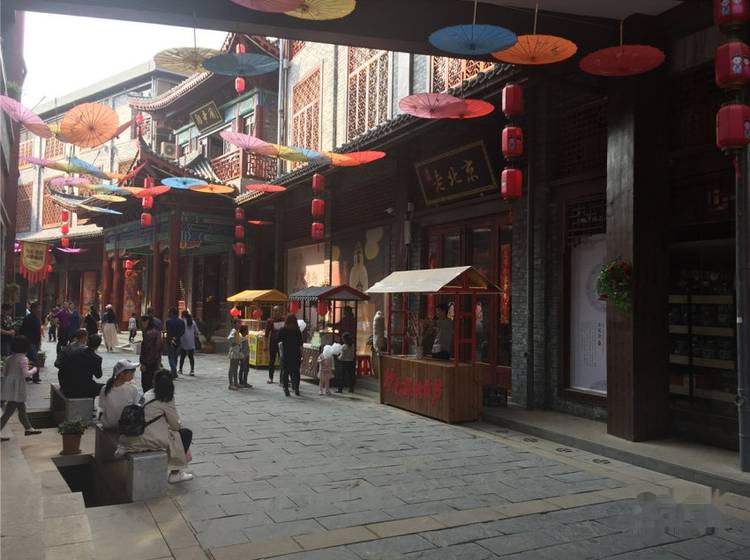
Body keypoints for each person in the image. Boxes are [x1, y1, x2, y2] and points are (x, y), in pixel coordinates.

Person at [119, 370, 194, 484]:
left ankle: (175, 469)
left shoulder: (148, 393)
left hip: (132, 433)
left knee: (174, 435)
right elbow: (175, 425)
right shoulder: (166, 399)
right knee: (185, 434)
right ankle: (176, 473)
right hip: (146, 438)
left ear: (154, 382)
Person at [1, 336, 42, 440]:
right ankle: (28, 428)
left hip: (9, 386)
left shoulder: (9, 358)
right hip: (18, 387)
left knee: (21, 408)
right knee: (9, 412)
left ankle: (28, 428)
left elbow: (5, 372)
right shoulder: (23, 359)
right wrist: (34, 369)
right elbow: (25, 374)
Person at [98, 359, 142, 430]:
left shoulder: (104, 388)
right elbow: (136, 406)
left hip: (108, 424)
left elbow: (102, 407)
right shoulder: (132, 388)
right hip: (125, 425)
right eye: (131, 372)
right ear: (122, 373)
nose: (133, 375)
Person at [57, 334, 104, 399]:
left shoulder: (75, 351)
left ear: (87, 342)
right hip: (82, 389)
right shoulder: (97, 358)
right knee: (106, 388)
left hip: (66, 386)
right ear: (98, 346)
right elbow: (98, 375)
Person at [277, 314, 303, 397]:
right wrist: (301, 354)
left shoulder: (282, 330)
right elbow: (300, 343)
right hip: (296, 353)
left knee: (285, 371)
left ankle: (286, 388)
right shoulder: (297, 331)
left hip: (286, 353)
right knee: (296, 371)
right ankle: (296, 388)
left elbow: (278, 340)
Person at [19, 302, 42, 382]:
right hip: (30, 342)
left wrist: (38, 342)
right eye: (38, 308)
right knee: (34, 359)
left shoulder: (36, 318)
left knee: (29, 359)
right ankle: (35, 377)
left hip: (33, 342)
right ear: (33, 309)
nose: (40, 310)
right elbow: (22, 330)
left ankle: (28, 376)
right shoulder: (29, 318)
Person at [140, 315, 163, 392]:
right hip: (155, 361)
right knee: (153, 382)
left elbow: (145, 350)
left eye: (143, 322)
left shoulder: (148, 333)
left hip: (148, 361)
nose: (142, 324)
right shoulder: (157, 332)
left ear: (147, 322)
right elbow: (159, 348)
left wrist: (143, 363)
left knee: (146, 383)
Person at [165, 308, 184, 379]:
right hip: (178, 341)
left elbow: (169, 331)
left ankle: (174, 371)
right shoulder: (181, 321)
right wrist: (177, 337)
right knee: (175, 357)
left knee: (171, 357)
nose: (168, 314)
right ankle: (173, 372)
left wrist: (172, 338)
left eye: (169, 312)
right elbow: (183, 331)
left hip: (170, 341)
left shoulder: (168, 321)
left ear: (172, 313)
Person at [265, 306, 283, 384]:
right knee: (272, 360)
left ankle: (282, 379)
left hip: (282, 343)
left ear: (281, 311)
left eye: (278, 311)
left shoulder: (284, 320)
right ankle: (270, 377)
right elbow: (266, 334)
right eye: (275, 311)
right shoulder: (270, 321)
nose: (276, 312)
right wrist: (265, 345)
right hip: (273, 343)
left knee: (282, 360)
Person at [179, 311, 199, 376]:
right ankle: (192, 370)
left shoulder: (181, 321)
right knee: (191, 357)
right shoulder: (193, 322)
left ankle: (180, 369)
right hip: (191, 341)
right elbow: (196, 331)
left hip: (183, 341)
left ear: (183, 315)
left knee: (182, 356)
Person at [227, 321, 242, 391]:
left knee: (235, 368)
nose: (239, 325)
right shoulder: (233, 331)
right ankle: (231, 384)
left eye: (240, 324)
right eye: (238, 323)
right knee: (232, 368)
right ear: (235, 324)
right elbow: (229, 339)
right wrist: (234, 343)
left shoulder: (237, 331)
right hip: (234, 351)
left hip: (237, 351)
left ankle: (235, 383)